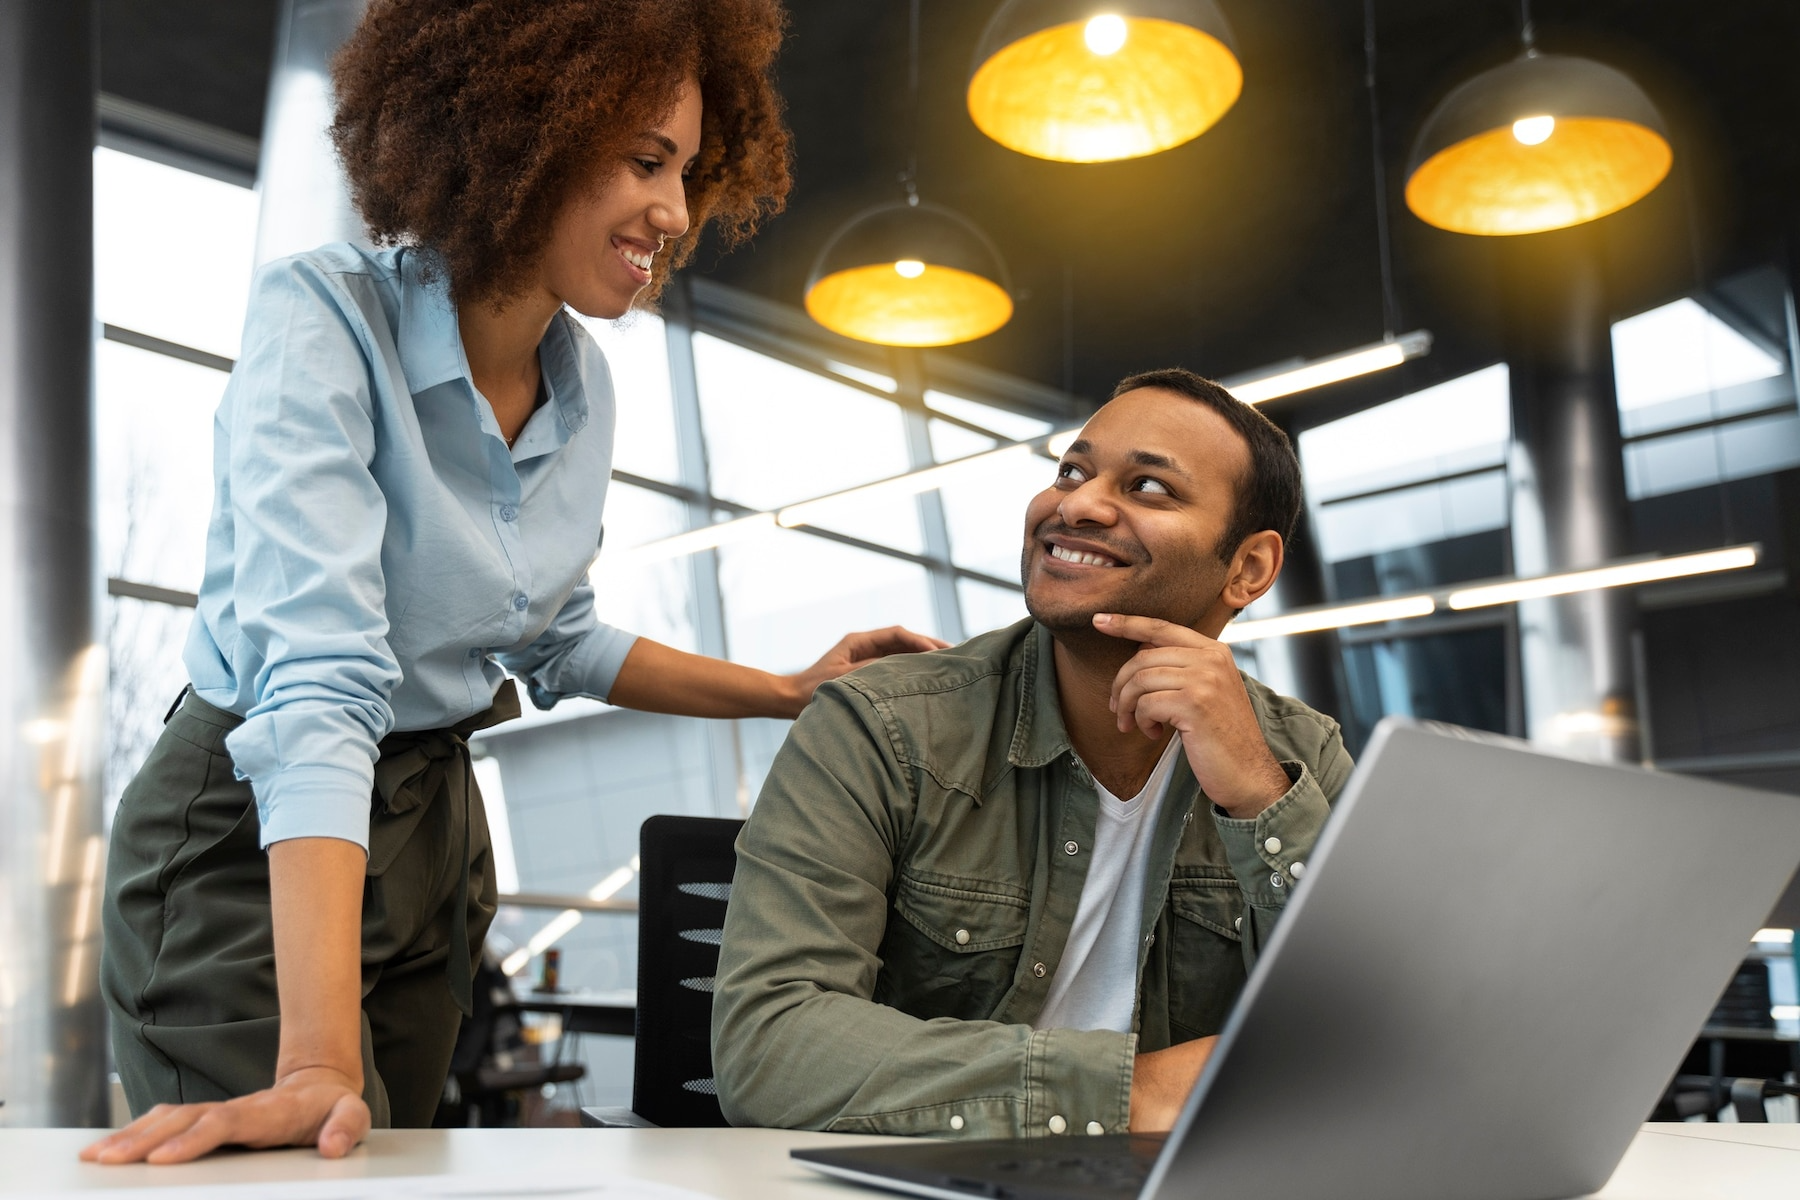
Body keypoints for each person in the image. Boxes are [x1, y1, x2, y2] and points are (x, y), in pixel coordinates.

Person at [85, 0, 942, 1166]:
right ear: (521, 127)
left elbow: (557, 637)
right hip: (256, 838)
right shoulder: (325, 315)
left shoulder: (580, 383)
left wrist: (786, 690)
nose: (675, 212)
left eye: (688, 171)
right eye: (646, 161)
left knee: (391, 1171)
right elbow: (324, 686)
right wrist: (317, 1059)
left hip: (433, 833)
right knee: (304, 1161)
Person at [711, 369, 1353, 1138]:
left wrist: (1257, 792)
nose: (1075, 503)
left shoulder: (1300, 756)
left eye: (1149, 487)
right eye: (1072, 471)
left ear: (1247, 568)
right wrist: (1126, 1094)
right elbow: (769, 1045)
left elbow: (1374, 1029)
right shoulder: (882, 726)